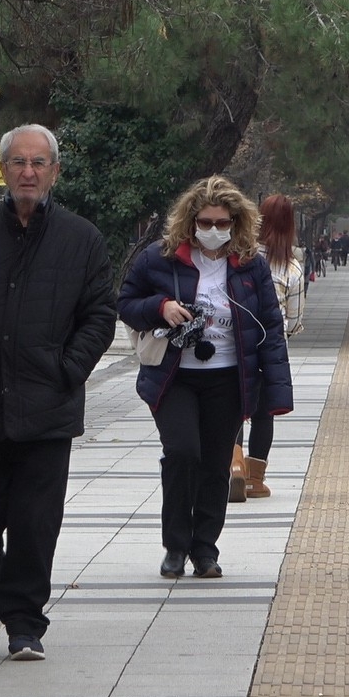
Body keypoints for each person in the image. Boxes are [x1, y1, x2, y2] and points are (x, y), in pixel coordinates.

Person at [0, 124, 117, 661]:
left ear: (54, 172)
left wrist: (69, 368)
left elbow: (99, 315)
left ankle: (25, 623)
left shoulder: (82, 239)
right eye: (18, 163)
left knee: (35, 525)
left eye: (38, 163)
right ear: (4, 171)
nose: (28, 172)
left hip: (47, 407)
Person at [118, 176, 293, 580]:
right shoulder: (158, 259)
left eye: (222, 223)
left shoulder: (252, 265)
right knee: (182, 453)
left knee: (216, 464)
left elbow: (270, 325)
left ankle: (205, 550)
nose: (213, 230)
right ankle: (175, 546)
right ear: (190, 220)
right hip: (173, 376)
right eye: (206, 222)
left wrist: (276, 391)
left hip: (228, 378)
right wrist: (160, 306)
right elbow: (125, 303)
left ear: (237, 223)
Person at [236, 194, 304, 499]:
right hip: (271, 347)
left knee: (233, 407)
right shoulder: (292, 269)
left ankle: (232, 466)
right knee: (264, 413)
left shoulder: (238, 256)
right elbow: (294, 322)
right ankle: (254, 479)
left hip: (237, 342)